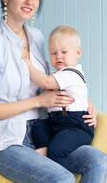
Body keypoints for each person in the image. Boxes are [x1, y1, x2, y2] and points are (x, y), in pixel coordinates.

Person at [0, 0, 107, 183]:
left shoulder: (36, 37)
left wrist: (82, 100)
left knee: (98, 160)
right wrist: (38, 101)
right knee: (61, 178)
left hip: (42, 132)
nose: (30, 1)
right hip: (3, 141)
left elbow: (51, 81)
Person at [22, 25, 94, 171]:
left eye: (64, 52)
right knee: (39, 126)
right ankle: (45, 148)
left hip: (76, 126)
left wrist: (28, 66)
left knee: (57, 150)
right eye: (53, 53)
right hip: (58, 123)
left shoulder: (72, 73)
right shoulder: (58, 75)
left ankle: (63, 175)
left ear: (77, 53)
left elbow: (46, 82)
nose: (58, 56)